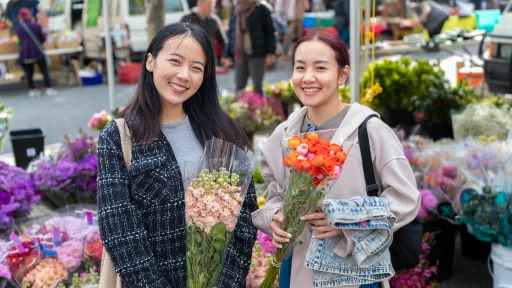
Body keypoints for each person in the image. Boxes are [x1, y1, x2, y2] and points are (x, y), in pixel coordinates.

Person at [251, 32, 421, 288]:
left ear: (342, 75)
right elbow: (275, 194)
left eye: (321, 67)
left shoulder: (370, 131)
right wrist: (274, 217)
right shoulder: (284, 135)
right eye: (300, 67)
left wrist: (346, 221)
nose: (308, 77)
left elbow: (405, 199)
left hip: (351, 272)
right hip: (295, 268)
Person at [97, 23, 257, 287]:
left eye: (196, 68)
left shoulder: (223, 132)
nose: (184, 75)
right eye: (175, 61)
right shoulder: (120, 137)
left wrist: (224, 283)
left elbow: (245, 219)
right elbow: (119, 228)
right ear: (150, 61)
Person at [222, 0, 276, 97]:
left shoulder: (262, 8)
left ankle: (259, 110)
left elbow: (270, 32)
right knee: (239, 86)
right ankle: (239, 111)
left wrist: (270, 52)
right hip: (239, 54)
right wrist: (227, 54)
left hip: (257, 54)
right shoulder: (235, 8)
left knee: (257, 87)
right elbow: (231, 33)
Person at [15, 8, 56, 97]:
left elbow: (20, 40)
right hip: (37, 51)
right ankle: (49, 89)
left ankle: (32, 90)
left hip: (25, 53)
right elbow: (43, 39)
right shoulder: (36, 26)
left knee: (29, 73)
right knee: (44, 71)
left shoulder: (19, 28)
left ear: (21, 18)